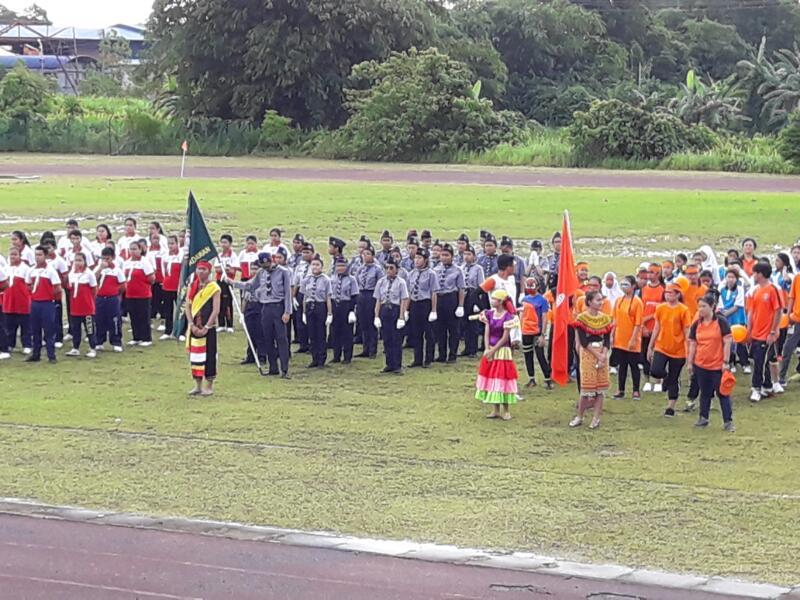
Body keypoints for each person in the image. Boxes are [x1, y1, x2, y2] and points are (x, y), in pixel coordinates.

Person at [230, 252, 293, 378]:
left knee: (281, 339)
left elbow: (288, 293)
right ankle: (273, 367)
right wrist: (233, 283)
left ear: (272, 260)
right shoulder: (261, 273)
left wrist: (287, 311)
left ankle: (284, 369)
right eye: (263, 265)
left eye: (267, 264)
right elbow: (250, 286)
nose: (266, 267)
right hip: (265, 307)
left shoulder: (283, 272)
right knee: (267, 337)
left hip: (278, 306)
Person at [688, 295, 735, 432]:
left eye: (704, 306)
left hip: (717, 365)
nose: (701, 309)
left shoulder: (721, 322)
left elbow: (727, 341)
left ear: (712, 306)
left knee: (723, 393)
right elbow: (693, 344)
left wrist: (725, 361)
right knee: (705, 392)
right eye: (699, 306)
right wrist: (690, 362)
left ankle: (728, 421)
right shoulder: (697, 324)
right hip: (701, 364)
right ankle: (703, 417)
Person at [570, 290, 613, 429]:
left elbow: (607, 340)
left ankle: (596, 418)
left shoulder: (605, 318)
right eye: (598, 300)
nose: (601, 303)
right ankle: (580, 416)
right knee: (586, 388)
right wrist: (598, 355)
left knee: (600, 388)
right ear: (589, 302)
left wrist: (604, 354)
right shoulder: (582, 319)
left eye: (601, 300)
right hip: (588, 353)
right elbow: (583, 341)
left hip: (601, 351)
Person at [648, 283, 692, 417]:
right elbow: (656, 327)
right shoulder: (660, 308)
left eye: (671, 293)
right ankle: (665, 378)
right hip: (661, 346)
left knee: (674, 379)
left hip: (678, 350)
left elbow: (687, 331)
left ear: (678, 294)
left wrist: (688, 352)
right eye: (666, 293)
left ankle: (670, 407)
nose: (667, 295)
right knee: (655, 370)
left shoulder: (683, 310)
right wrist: (650, 346)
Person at [475, 289, 520, 420]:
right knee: (492, 378)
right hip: (490, 348)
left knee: (502, 378)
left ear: (500, 302)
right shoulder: (489, 313)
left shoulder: (507, 316)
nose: (492, 300)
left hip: (502, 350)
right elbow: (487, 330)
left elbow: (505, 337)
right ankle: (495, 409)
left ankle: (506, 410)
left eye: (494, 299)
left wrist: (493, 350)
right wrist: (487, 348)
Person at [747, 261, 783, 400]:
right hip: (755, 332)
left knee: (760, 362)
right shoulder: (755, 290)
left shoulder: (772, 290)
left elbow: (778, 311)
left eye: (755, 273)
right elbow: (751, 311)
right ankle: (766, 386)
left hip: (766, 334)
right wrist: (748, 330)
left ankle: (756, 388)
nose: (753, 275)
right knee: (758, 361)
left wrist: (773, 331)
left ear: (760, 274)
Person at [185, 261, 221, 396]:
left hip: (208, 327)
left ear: (209, 271)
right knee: (195, 356)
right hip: (194, 326)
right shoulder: (192, 286)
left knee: (210, 356)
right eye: (199, 269)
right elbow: (187, 306)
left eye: (204, 269)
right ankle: (197, 385)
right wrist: (191, 324)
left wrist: (207, 326)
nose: (201, 272)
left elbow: (216, 309)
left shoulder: (214, 288)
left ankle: (209, 386)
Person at [25, 245, 62, 363]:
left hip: (47, 304)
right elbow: (28, 284)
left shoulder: (50, 270)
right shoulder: (31, 270)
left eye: (40, 255)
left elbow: (57, 288)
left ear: (45, 256)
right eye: (36, 255)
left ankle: (51, 355)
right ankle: (36, 354)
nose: (37, 257)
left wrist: (47, 295)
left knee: (48, 330)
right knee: (35, 330)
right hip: (35, 303)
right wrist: (35, 294)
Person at [373, 257, 409, 373]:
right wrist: (376, 316)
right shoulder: (381, 282)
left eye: (391, 268)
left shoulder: (401, 282)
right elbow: (378, 299)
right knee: (386, 338)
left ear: (397, 270)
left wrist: (401, 317)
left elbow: (403, 299)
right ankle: (389, 364)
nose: (389, 270)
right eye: (387, 268)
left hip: (395, 309)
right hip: (385, 310)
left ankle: (397, 365)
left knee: (396, 339)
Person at [612, 275, 644, 400]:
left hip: (632, 339)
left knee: (634, 365)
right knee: (622, 365)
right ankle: (620, 389)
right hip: (619, 339)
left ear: (633, 286)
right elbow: (614, 319)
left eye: (627, 284)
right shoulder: (618, 300)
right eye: (622, 284)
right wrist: (612, 335)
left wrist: (633, 339)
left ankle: (636, 390)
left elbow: (638, 323)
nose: (624, 287)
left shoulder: (637, 302)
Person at [433, 243, 465, 363]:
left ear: (452, 256)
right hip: (439, 299)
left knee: (453, 329)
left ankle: (452, 354)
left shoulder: (458, 270)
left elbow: (461, 288)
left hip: (451, 299)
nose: (444, 257)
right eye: (442, 255)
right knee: (440, 329)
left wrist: (460, 305)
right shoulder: (435, 270)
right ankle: (441, 354)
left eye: (447, 255)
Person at [407, 248, 439, 368]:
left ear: (425, 260)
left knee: (428, 333)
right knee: (416, 332)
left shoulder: (431, 274)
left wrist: (433, 310)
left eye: (419, 258)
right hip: (415, 304)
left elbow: (433, 292)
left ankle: (428, 358)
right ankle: (417, 359)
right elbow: (409, 292)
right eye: (416, 258)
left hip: (425, 304)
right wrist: (406, 309)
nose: (417, 260)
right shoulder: (412, 273)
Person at [520, 276, 552, 389]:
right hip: (526, 331)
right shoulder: (524, 300)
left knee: (540, 355)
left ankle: (548, 378)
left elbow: (544, 317)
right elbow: (522, 316)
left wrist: (543, 334)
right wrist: (520, 329)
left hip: (537, 331)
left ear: (538, 286)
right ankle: (531, 379)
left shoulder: (542, 300)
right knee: (527, 355)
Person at [300, 256, 332, 368]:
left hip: (320, 306)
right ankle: (314, 358)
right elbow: (304, 297)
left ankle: (321, 359)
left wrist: (329, 313)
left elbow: (328, 297)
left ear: (322, 267)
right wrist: (303, 312)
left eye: (317, 265)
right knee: (312, 334)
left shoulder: (326, 280)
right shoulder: (306, 280)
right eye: (313, 264)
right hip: (310, 307)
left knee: (321, 334)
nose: (315, 267)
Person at [65, 252, 98, 358]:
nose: (77, 263)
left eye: (80, 260)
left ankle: (92, 348)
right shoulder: (72, 274)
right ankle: (75, 348)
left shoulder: (89, 274)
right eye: (76, 260)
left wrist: (88, 300)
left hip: (87, 308)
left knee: (89, 329)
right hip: (75, 307)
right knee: (76, 329)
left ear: (85, 262)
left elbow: (94, 289)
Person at [123, 240, 155, 347]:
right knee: (133, 316)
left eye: (135, 249)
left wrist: (141, 284)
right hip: (130, 294)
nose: (133, 251)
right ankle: (136, 337)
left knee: (143, 316)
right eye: (131, 249)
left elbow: (151, 278)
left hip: (143, 294)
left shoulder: (144, 262)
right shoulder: (126, 263)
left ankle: (146, 338)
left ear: (140, 250)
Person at [94, 247, 125, 352]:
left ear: (113, 258)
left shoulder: (117, 271)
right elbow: (94, 279)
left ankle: (116, 341)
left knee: (114, 320)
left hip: (112, 298)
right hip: (100, 298)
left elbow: (123, 285)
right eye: (104, 259)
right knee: (99, 320)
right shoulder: (99, 269)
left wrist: (116, 294)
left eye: (108, 259)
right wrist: (100, 269)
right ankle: (99, 341)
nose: (106, 261)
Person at [717, 268, 749, 372]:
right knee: (728, 341)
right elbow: (720, 304)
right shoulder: (721, 289)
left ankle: (745, 363)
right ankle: (731, 363)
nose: (730, 279)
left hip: (737, 318)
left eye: (733, 277)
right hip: (725, 318)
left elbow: (737, 306)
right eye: (728, 277)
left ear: (736, 279)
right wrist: (722, 315)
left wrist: (724, 314)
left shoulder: (739, 289)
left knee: (740, 340)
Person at [2, 247, 32, 355]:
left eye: (15, 254)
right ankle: (10, 344)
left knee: (25, 325)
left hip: (22, 301)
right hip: (9, 301)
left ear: (20, 256)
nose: (13, 257)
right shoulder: (5, 268)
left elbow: (29, 285)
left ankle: (27, 344)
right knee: (9, 325)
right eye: (11, 255)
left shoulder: (25, 268)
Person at [330, 255, 359, 364]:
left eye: (343, 265)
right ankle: (336, 355)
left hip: (346, 305)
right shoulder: (332, 278)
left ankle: (347, 356)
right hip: (335, 305)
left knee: (347, 332)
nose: (340, 268)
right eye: (338, 265)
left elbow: (354, 296)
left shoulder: (351, 279)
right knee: (335, 331)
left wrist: (351, 310)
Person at [640, 264, 665, 393]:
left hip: (657, 326)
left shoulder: (663, 289)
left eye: (652, 272)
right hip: (644, 328)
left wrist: (650, 318)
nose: (649, 275)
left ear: (658, 274)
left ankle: (658, 380)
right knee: (644, 354)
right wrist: (642, 325)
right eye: (648, 272)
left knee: (657, 354)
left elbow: (662, 310)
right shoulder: (643, 289)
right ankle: (647, 379)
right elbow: (640, 308)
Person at [354, 245, 381, 358]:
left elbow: (380, 284)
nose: (365, 256)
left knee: (371, 323)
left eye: (368, 254)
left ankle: (372, 349)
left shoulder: (377, 269)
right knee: (363, 323)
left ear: (373, 256)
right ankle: (365, 348)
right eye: (364, 254)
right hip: (361, 294)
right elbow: (356, 282)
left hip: (372, 295)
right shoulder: (360, 268)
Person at [461, 245, 485, 358]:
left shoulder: (478, 269)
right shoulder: (462, 267)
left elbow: (481, 286)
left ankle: (473, 349)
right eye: (465, 254)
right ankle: (467, 347)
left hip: (473, 295)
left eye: (469, 254)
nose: (466, 257)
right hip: (464, 295)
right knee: (465, 323)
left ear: (474, 256)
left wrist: (477, 302)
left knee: (473, 324)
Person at [291, 242, 314, 353]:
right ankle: (303, 344)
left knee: (310, 321)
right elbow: (296, 282)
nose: (305, 255)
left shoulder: (315, 265)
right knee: (299, 321)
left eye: (307, 252)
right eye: (303, 252)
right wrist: (293, 296)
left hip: (310, 294)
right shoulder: (300, 266)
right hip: (300, 293)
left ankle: (312, 344)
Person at [780, 261, 800, 383]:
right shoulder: (797, 278)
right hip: (797, 319)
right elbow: (791, 297)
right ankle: (782, 377)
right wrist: (788, 316)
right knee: (788, 349)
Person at [159, 236, 183, 339]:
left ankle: (181, 331)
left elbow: (183, 272)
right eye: (169, 244)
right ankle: (168, 331)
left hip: (178, 287)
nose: (170, 246)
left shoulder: (181, 256)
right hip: (167, 287)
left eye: (172, 243)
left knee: (181, 310)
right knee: (168, 310)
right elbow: (164, 271)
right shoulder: (165, 256)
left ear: (177, 243)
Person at [215, 234, 237, 333]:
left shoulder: (233, 255)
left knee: (227, 303)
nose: (223, 245)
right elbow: (217, 269)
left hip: (228, 281)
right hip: (219, 281)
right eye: (222, 242)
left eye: (225, 242)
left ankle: (229, 324)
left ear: (230, 244)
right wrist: (225, 268)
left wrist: (226, 269)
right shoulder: (219, 256)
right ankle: (221, 324)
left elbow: (233, 270)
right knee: (219, 302)